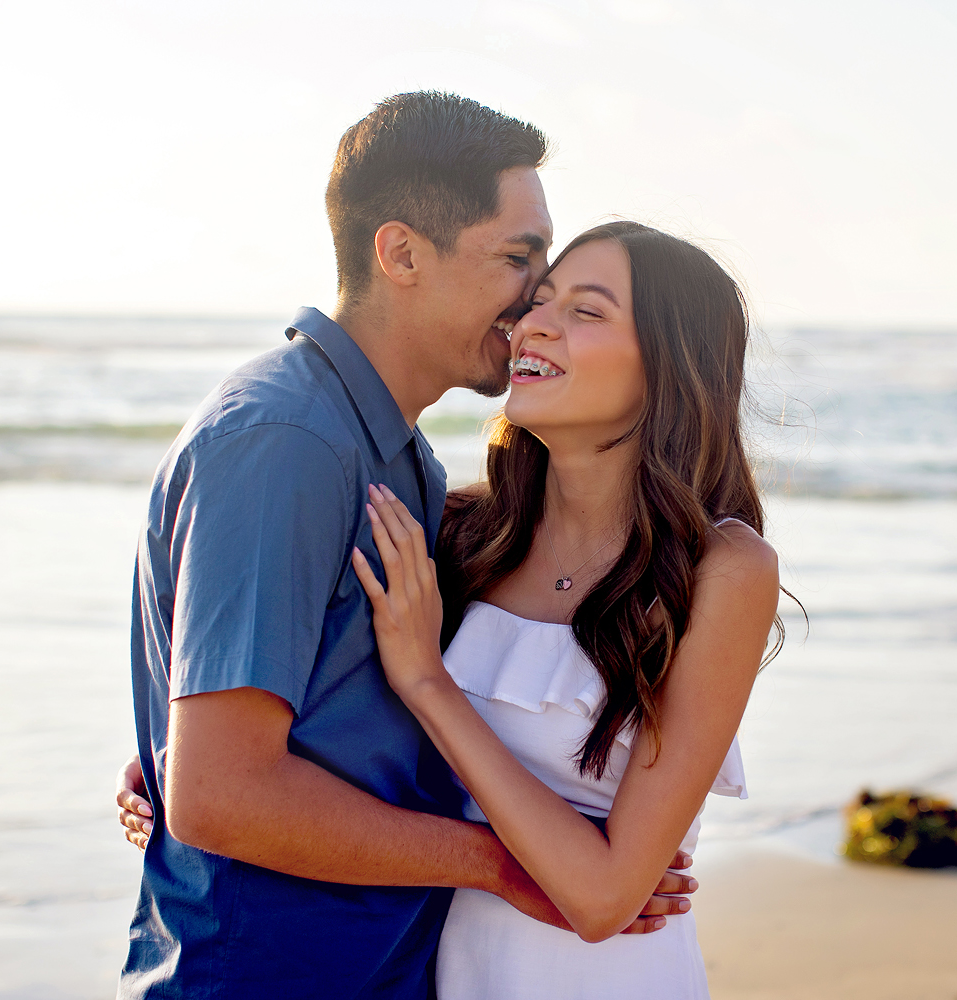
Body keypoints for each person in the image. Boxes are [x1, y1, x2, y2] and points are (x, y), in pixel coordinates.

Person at [118, 93, 694, 1000]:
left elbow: (311, 729)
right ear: (401, 254)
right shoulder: (287, 439)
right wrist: (501, 865)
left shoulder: (401, 459)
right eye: (518, 258)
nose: (535, 297)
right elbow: (222, 795)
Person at [351, 221, 781, 997]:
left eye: (588, 311)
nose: (533, 323)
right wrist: (200, 755)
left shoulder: (723, 569)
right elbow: (331, 715)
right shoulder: (459, 532)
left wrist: (428, 683)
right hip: (449, 971)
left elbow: (603, 897)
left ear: (669, 366)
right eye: (539, 300)